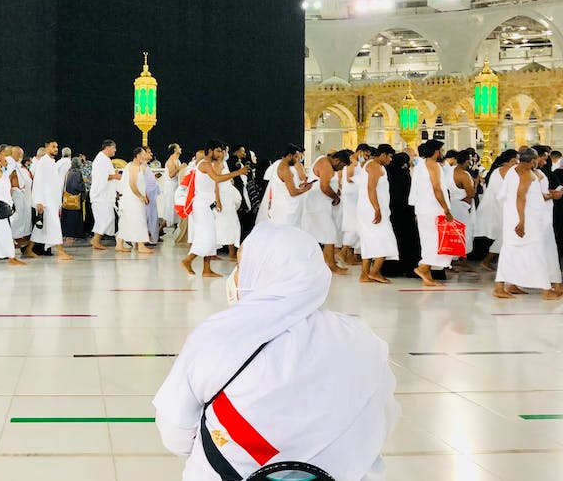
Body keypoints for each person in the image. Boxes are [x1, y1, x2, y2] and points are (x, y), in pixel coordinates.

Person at [154, 222, 399, 481]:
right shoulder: (361, 337)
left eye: (242, 264)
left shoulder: (218, 336)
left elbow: (175, 432)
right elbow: (384, 420)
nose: (237, 274)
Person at [493, 148, 563, 300]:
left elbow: (506, 195)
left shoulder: (513, 170)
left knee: (510, 251)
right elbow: (521, 196)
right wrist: (522, 221)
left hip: (511, 218)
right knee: (536, 252)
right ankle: (546, 290)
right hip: (526, 221)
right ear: (533, 161)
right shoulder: (527, 174)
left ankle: (499, 287)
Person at [179, 140, 248, 278]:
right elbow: (217, 177)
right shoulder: (204, 164)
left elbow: (214, 182)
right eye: (218, 151)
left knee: (212, 236)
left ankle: (206, 269)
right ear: (210, 151)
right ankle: (188, 260)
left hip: (209, 204)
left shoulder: (210, 165)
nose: (221, 153)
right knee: (207, 236)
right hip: (202, 205)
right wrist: (238, 172)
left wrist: (217, 198)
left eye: (222, 151)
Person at [410, 140, 454, 286]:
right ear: (435, 151)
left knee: (428, 240)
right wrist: (446, 209)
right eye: (441, 150)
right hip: (434, 208)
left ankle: (427, 275)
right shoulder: (433, 165)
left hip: (423, 208)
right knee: (436, 240)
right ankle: (423, 267)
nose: (442, 153)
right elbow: (437, 189)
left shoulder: (420, 165)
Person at [303, 150, 352, 275]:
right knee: (329, 233)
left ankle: (326, 262)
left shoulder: (324, 161)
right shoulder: (327, 166)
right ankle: (331, 265)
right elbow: (324, 187)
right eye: (342, 166)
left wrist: (336, 192)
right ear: (337, 161)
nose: (341, 169)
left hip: (319, 204)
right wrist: (336, 197)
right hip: (318, 205)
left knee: (323, 233)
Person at [27, 140, 74, 260]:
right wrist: (39, 201)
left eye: (57, 147)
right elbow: (38, 182)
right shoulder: (44, 162)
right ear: (46, 147)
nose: (56, 149)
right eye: (53, 147)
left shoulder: (52, 162)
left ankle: (28, 250)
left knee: (41, 230)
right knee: (54, 226)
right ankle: (60, 251)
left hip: (52, 200)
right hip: (46, 202)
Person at [358, 144, 397, 284]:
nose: (391, 160)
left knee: (369, 240)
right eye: (390, 156)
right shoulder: (374, 166)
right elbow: (371, 188)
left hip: (368, 208)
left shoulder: (370, 164)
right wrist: (377, 208)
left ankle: (364, 274)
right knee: (386, 239)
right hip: (372, 208)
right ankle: (374, 272)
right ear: (383, 155)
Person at [117, 147, 155, 254]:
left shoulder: (136, 166)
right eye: (143, 154)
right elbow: (132, 184)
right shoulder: (133, 167)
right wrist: (140, 196)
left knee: (126, 221)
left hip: (132, 197)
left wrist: (144, 195)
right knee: (139, 220)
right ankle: (141, 245)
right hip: (133, 198)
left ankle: (119, 244)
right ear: (138, 156)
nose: (144, 156)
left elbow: (140, 183)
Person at [268, 145, 313, 227]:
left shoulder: (281, 166)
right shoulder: (285, 170)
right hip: (287, 208)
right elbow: (293, 192)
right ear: (289, 156)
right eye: (296, 157)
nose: (297, 160)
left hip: (283, 205)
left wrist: (301, 186)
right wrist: (307, 189)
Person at [89, 140, 123, 250]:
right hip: (100, 196)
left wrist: (114, 177)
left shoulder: (105, 159)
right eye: (114, 148)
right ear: (107, 148)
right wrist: (115, 176)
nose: (115, 150)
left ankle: (96, 240)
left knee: (108, 218)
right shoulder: (100, 160)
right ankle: (95, 240)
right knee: (104, 218)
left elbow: (107, 176)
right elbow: (100, 178)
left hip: (106, 196)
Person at [448, 151, 477, 259]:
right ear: (466, 161)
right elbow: (471, 193)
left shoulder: (449, 170)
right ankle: (459, 258)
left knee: (452, 233)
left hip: (451, 205)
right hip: (462, 206)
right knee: (464, 232)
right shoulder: (464, 175)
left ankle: (453, 258)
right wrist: (476, 182)